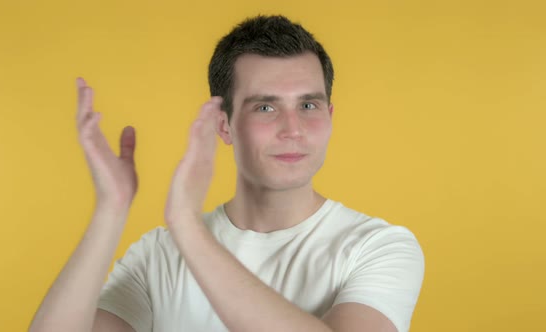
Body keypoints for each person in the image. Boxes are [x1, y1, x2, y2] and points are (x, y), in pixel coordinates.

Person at [29, 15, 424, 332]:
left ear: (330, 116)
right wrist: (110, 211)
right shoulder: (158, 255)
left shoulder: (378, 247)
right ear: (224, 125)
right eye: (265, 107)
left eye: (308, 105)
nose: (293, 129)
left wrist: (186, 226)